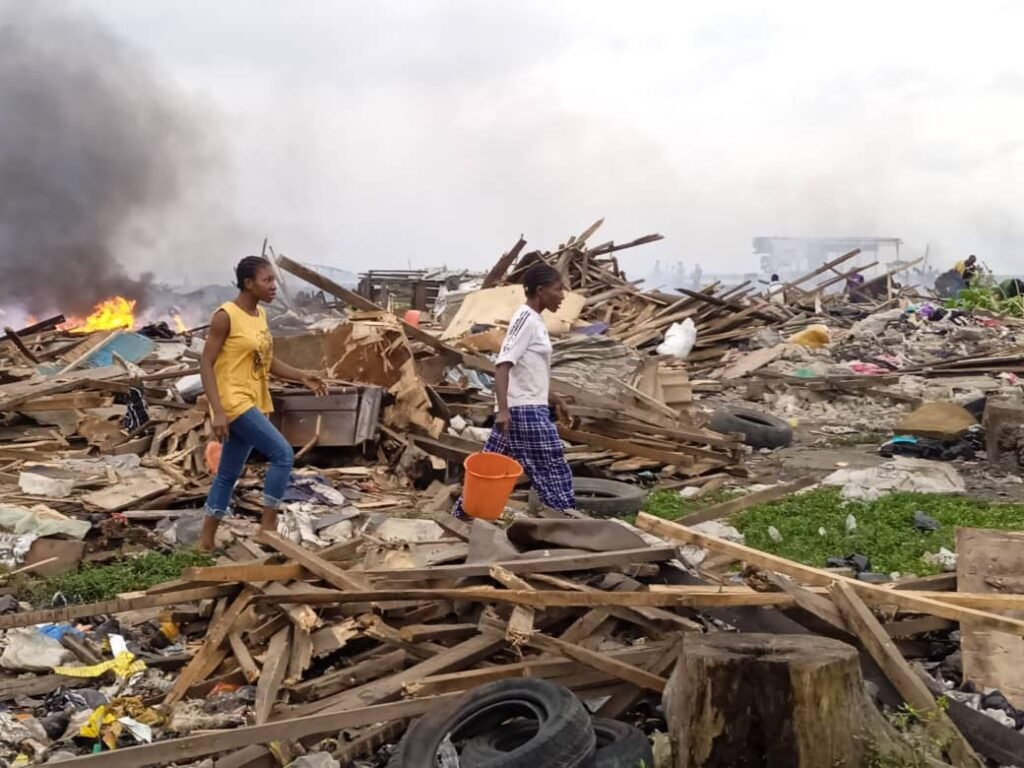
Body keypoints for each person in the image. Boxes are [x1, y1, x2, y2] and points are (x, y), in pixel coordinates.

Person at [198, 256, 327, 550]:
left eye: (273, 280)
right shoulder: (225, 316)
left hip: (254, 398)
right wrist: (217, 410)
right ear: (248, 283)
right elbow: (205, 363)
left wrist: (302, 377)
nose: (273, 287)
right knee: (282, 453)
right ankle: (267, 526)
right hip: (233, 400)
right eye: (267, 281)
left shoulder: (260, 317)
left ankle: (204, 543)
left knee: (228, 474)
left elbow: (267, 362)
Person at [452, 263, 574, 519]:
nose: (562, 296)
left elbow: (529, 372)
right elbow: (503, 366)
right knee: (554, 471)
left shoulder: (536, 321)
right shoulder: (525, 320)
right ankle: (569, 525)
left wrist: (555, 399)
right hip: (523, 413)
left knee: (488, 471)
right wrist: (504, 411)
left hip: (525, 407)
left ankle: (460, 520)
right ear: (540, 291)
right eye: (557, 289)